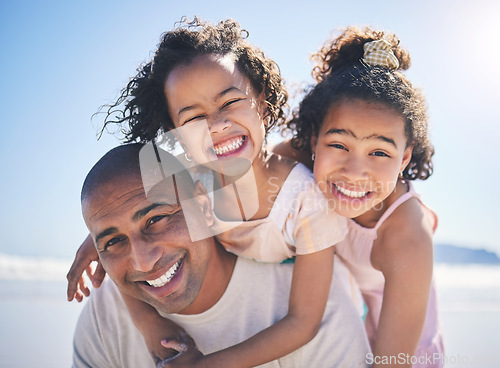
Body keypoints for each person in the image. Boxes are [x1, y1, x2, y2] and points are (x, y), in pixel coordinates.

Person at [68, 18, 349, 367]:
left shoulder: (306, 203)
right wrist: (144, 316)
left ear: (261, 101)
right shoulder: (186, 171)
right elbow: (121, 210)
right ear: (174, 136)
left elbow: (303, 323)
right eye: (192, 119)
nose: (216, 125)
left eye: (229, 102)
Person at [73, 143, 371, 368]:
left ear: (203, 205)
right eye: (113, 241)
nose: (143, 261)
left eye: (155, 220)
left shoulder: (319, 307)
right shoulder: (106, 314)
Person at [275, 27, 445, 367]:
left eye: (379, 153)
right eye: (339, 144)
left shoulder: (406, 236)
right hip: (341, 328)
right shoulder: (297, 158)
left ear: (406, 157)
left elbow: (393, 361)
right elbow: (235, 169)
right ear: (312, 139)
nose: (354, 171)